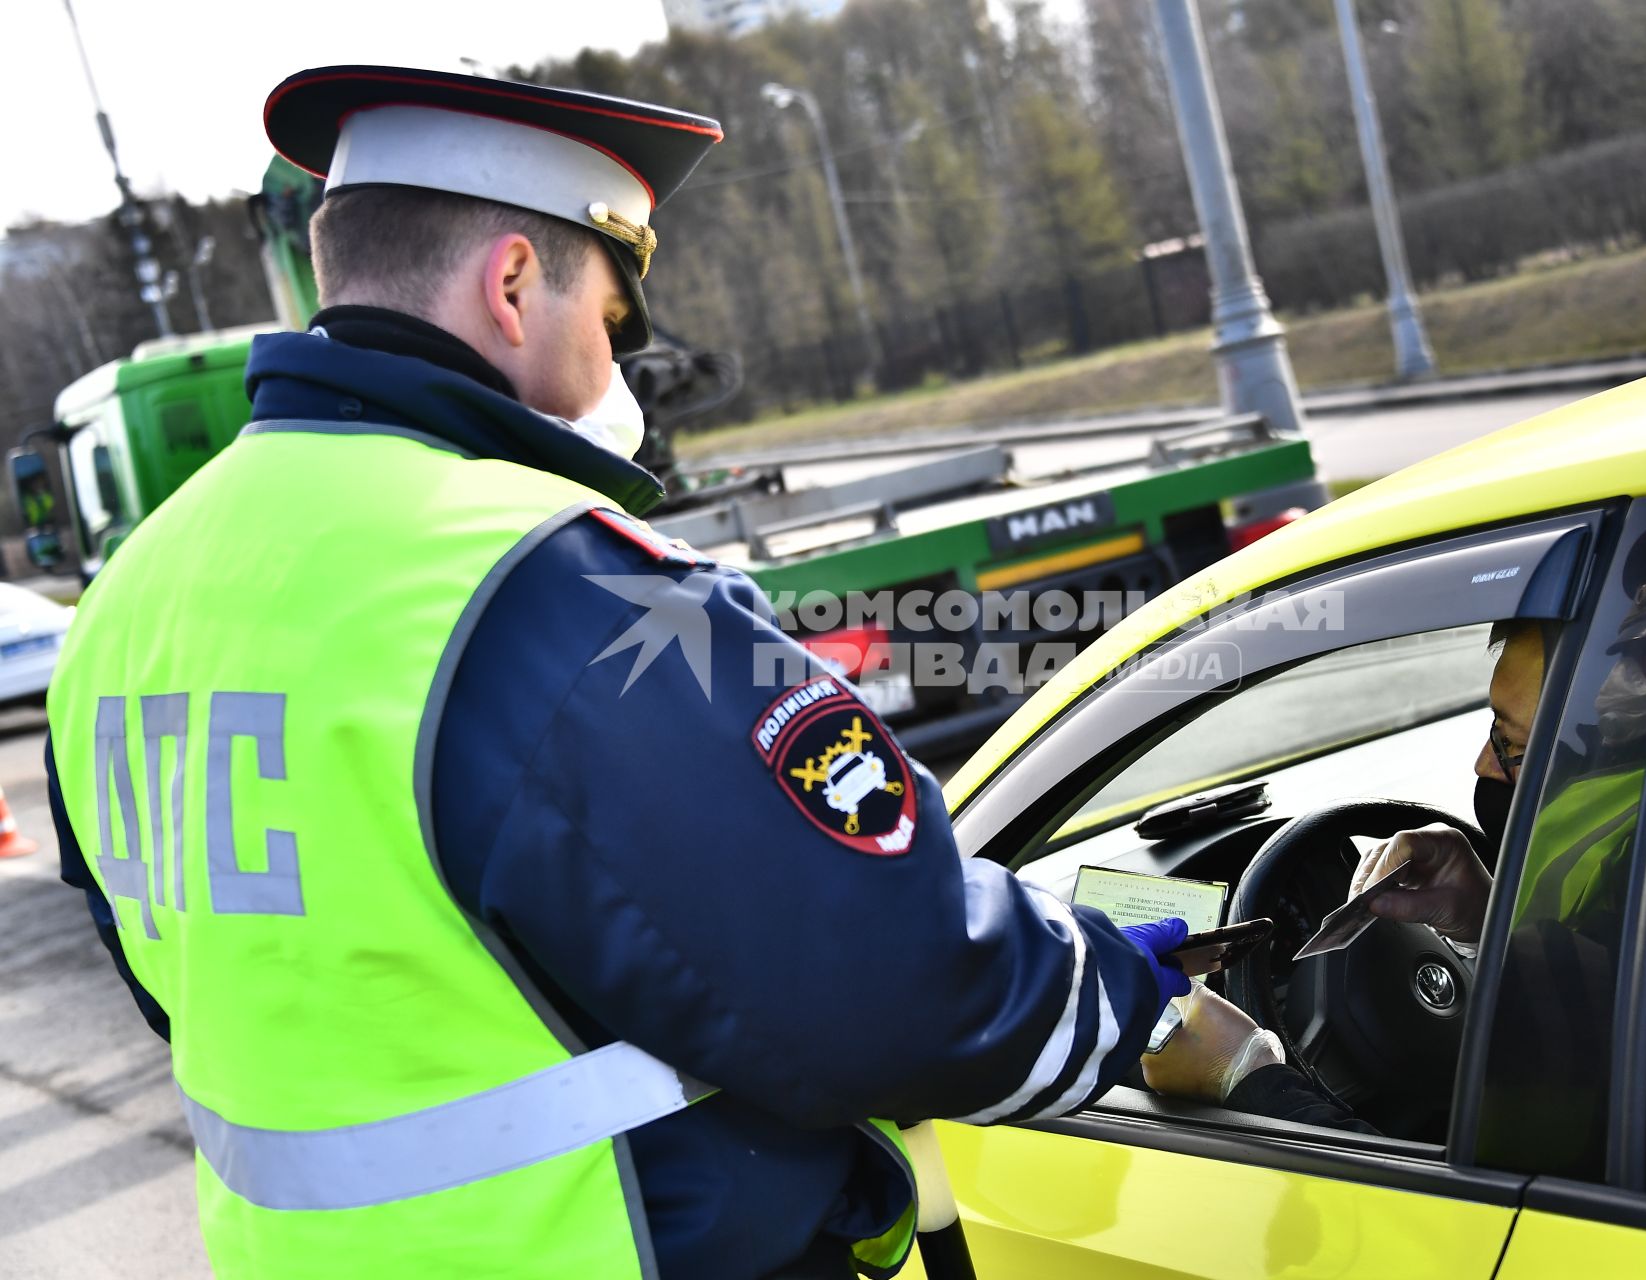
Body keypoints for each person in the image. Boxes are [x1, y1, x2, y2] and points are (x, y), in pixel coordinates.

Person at [46, 66, 1193, 1280]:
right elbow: (884, 974)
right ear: (511, 284)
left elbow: (207, 991)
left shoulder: (127, 601)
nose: (623, 368)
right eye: (613, 319)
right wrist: (1129, 993)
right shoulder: (546, 580)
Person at [1146, 548, 1646, 1224]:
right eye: (1631, 637)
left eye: (1514, 746)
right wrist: (1481, 910)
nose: (1488, 769)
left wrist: (1248, 1079)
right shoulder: (1639, 779)